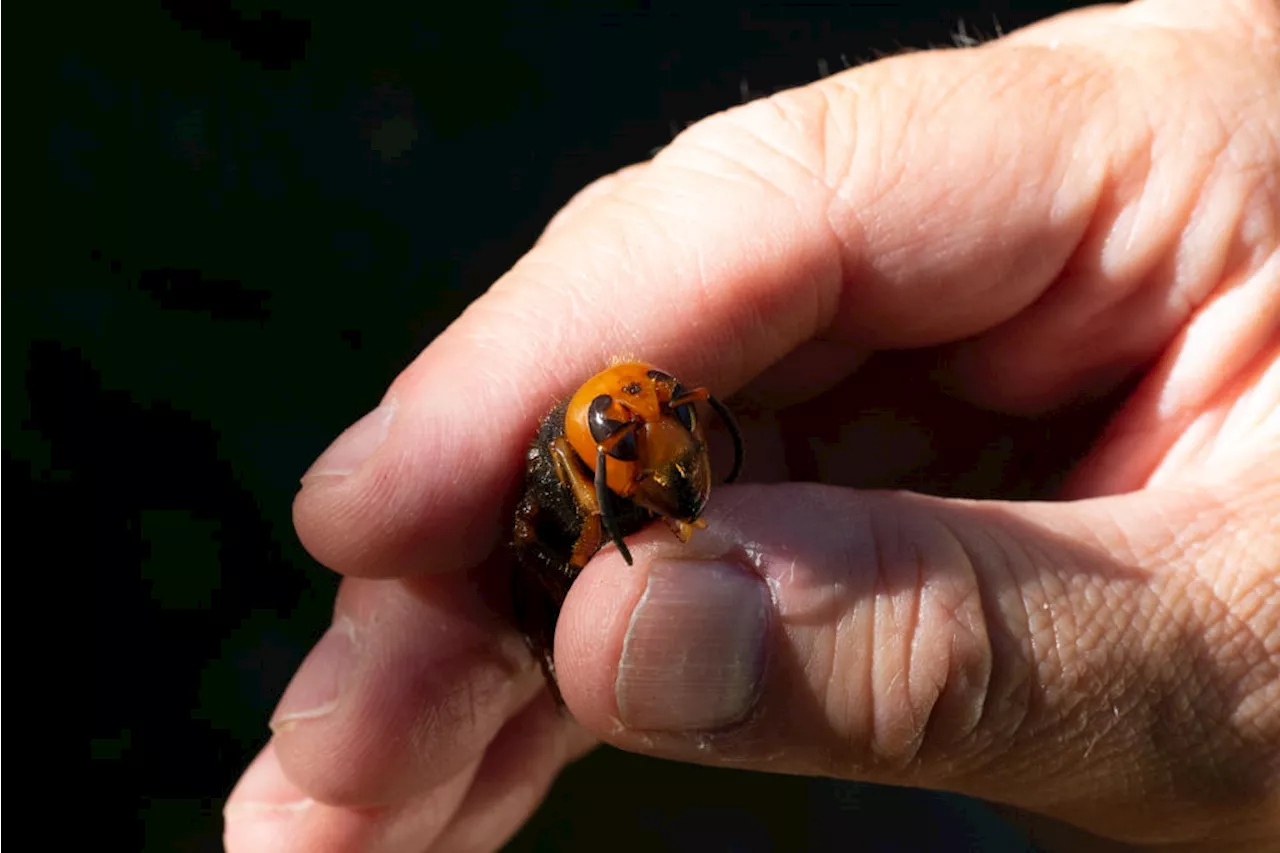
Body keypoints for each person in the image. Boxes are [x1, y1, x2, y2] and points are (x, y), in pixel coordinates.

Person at [224, 0, 1279, 849]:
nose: (654, 423)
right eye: (640, 426)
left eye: (660, 416)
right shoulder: (590, 460)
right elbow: (569, 511)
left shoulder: (645, 420)